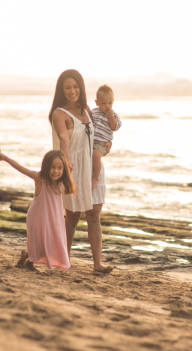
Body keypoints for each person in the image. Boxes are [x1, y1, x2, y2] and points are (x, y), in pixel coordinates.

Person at [49, 69, 113, 274]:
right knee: (73, 217)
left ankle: (97, 264)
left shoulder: (87, 110)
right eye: (67, 87)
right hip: (74, 169)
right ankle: (63, 260)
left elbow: (99, 133)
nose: (72, 91)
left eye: (76, 86)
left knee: (94, 215)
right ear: (61, 90)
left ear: (81, 88)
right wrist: (65, 160)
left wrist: (106, 145)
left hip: (93, 168)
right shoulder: (59, 113)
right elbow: (64, 139)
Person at [0, 150, 74, 271]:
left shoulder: (61, 182)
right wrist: (5, 158)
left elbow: (69, 170)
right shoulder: (40, 179)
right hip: (38, 217)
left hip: (54, 218)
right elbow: (20, 168)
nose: (56, 171)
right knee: (38, 242)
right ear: (46, 167)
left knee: (52, 241)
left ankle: (26, 256)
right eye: (53, 167)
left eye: (59, 168)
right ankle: (29, 261)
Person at [91, 85, 121, 189]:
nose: (107, 106)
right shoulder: (93, 112)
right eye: (103, 103)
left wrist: (111, 118)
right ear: (97, 102)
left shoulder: (114, 115)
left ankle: (95, 177)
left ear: (113, 101)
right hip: (91, 142)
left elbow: (114, 127)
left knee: (96, 155)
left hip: (102, 144)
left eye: (110, 103)